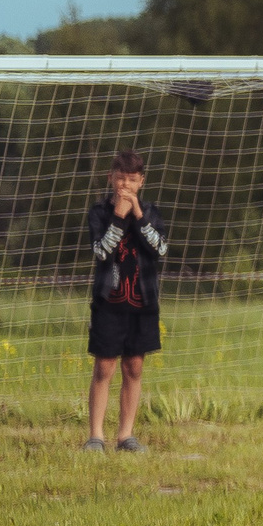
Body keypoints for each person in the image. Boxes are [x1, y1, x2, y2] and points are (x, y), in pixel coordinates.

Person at [84, 148, 166, 453]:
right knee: (104, 368)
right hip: (109, 303)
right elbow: (101, 252)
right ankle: (96, 436)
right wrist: (118, 217)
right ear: (111, 178)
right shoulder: (99, 213)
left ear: (141, 181)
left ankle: (125, 436)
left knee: (134, 368)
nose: (126, 186)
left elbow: (159, 250)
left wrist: (139, 217)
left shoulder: (152, 213)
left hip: (143, 304)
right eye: (121, 179)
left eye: (132, 180)